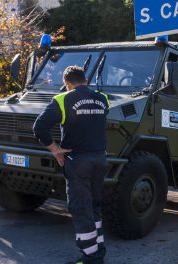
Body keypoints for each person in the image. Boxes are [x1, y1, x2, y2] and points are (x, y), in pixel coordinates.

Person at [33, 66, 109, 264]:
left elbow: (39, 127)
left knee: (80, 208)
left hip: (77, 161)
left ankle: (91, 258)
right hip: (100, 159)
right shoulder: (103, 99)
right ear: (85, 80)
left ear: (67, 84)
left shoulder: (62, 99)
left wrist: (55, 149)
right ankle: (98, 251)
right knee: (94, 206)